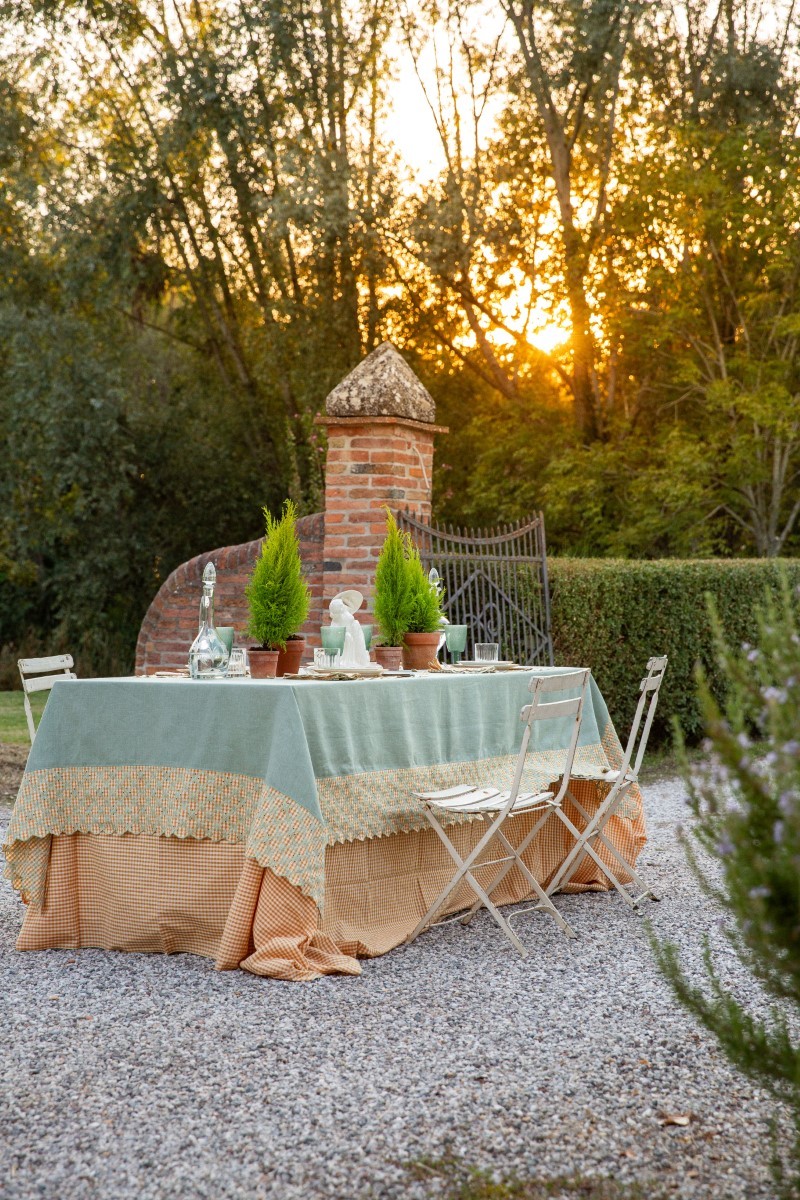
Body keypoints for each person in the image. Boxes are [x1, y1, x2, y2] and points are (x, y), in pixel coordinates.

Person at [328, 597, 370, 667]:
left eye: (341, 605)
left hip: (354, 632)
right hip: (345, 636)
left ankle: (360, 659)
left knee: (357, 642)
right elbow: (334, 631)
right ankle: (348, 660)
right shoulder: (336, 618)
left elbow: (352, 607)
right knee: (348, 638)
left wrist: (346, 600)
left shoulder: (345, 610)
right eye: (340, 606)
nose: (342, 607)